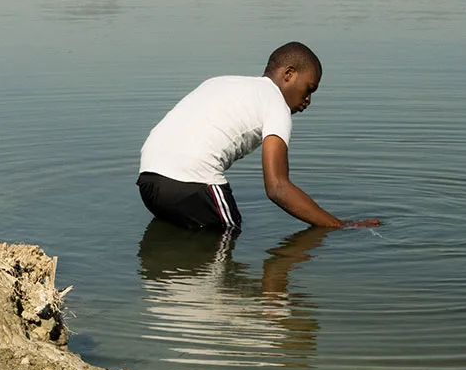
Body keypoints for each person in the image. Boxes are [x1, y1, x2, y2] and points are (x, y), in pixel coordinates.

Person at [136, 43, 378, 233]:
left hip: (148, 180)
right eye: (308, 90)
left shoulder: (222, 82)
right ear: (289, 74)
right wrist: (339, 226)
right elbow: (277, 187)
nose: (308, 101)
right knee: (230, 236)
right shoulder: (276, 105)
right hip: (191, 181)